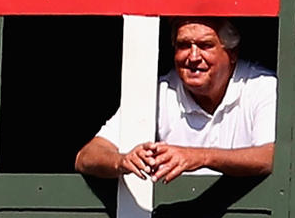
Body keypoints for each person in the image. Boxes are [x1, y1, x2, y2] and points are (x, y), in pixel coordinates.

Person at [74, 17, 276, 183]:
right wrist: (123, 161)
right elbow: (86, 157)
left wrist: (199, 157)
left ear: (232, 54)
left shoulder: (262, 86)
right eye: (184, 45)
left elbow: (271, 157)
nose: (193, 56)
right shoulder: (159, 93)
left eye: (205, 46)